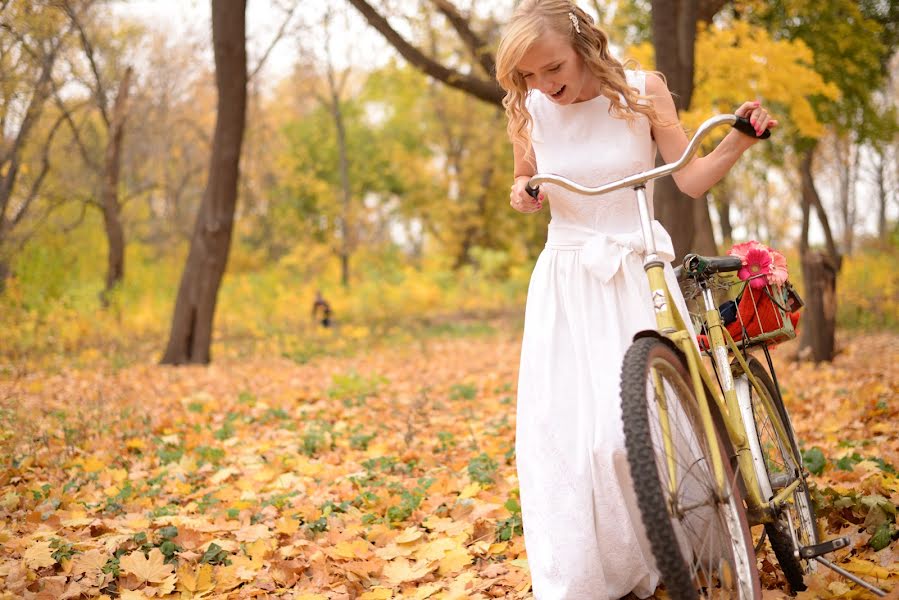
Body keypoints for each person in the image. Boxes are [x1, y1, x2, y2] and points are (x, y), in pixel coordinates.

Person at [494, 2, 777, 599]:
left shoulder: (641, 89)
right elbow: (523, 180)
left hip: (635, 271)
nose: (543, 85)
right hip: (566, 281)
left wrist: (738, 143)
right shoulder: (529, 110)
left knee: (631, 434)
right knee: (568, 437)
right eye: (528, 76)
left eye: (551, 68)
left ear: (580, 44)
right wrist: (524, 193)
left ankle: (682, 552)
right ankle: (599, 574)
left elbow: (690, 177)